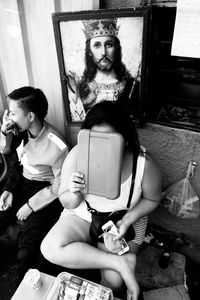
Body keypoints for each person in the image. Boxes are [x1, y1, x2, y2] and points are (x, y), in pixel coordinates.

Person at [41, 101, 162, 300]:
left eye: (111, 140)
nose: (102, 147)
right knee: (50, 248)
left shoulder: (143, 165)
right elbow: (67, 203)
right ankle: (119, 262)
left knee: (114, 281)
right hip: (83, 216)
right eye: (96, 139)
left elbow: (152, 199)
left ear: (125, 138)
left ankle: (107, 269)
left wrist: (128, 219)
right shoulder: (78, 154)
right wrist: (74, 192)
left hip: (122, 221)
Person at [0, 86, 68, 281]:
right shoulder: (20, 131)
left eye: (13, 113)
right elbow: (9, 155)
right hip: (21, 184)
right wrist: (8, 189)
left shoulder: (57, 145)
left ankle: (26, 285)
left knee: (28, 247)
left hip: (44, 194)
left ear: (30, 116)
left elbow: (58, 186)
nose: (9, 117)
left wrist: (31, 206)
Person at [67, 18, 139, 122]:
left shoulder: (131, 85)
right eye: (97, 45)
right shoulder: (81, 86)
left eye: (109, 45)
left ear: (117, 49)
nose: (103, 52)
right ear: (89, 51)